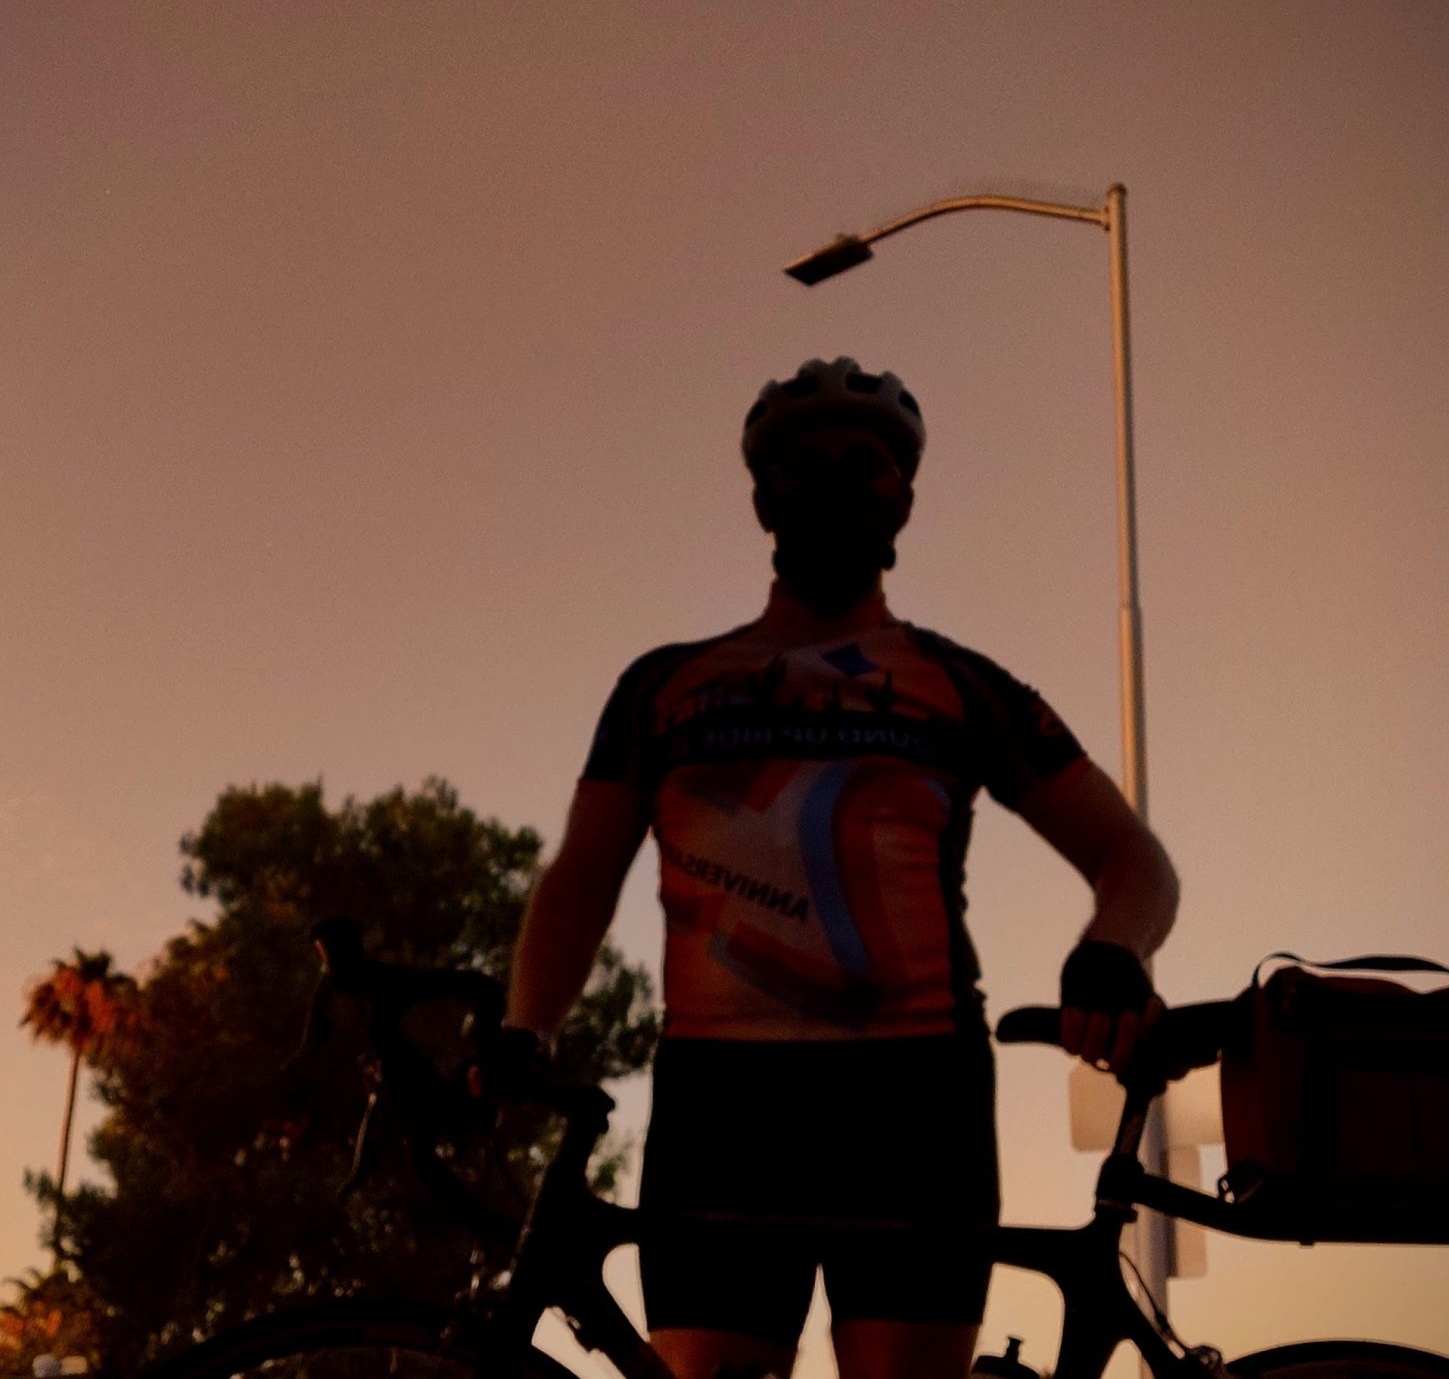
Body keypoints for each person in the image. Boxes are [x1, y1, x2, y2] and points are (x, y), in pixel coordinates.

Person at [500, 358, 1180, 1379]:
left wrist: (1113, 951)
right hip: (719, 1103)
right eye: (801, 469)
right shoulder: (660, 686)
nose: (832, 488)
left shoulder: (960, 683)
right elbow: (580, 877)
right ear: (763, 497)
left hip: (911, 1099)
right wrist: (523, 1031)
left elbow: (1132, 858)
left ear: (904, 494)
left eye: (864, 466)